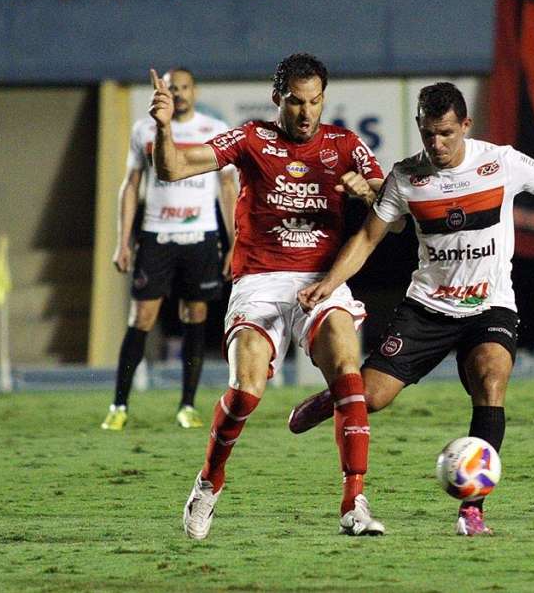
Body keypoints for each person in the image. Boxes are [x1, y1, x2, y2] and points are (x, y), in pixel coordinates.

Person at [290, 82, 534, 536]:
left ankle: (472, 509)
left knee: (491, 381)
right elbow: (368, 239)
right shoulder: (405, 177)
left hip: (490, 306)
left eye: (446, 133)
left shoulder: (502, 162)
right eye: (428, 133)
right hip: (427, 308)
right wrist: (330, 282)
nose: (436, 144)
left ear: (465, 126)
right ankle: (331, 399)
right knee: (371, 397)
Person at [147, 53, 391, 539]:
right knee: (246, 391)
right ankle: (209, 483)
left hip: (321, 279)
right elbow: (171, 168)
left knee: (348, 371)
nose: (306, 113)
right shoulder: (251, 138)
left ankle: (354, 502)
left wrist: (366, 190)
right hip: (258, 281)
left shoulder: (345, 145)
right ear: (277, 98)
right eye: (296, 102)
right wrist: (164, 127)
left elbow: (391, 202)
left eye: (315, 102)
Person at [102, 68, 235, 433]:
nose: (178, 93)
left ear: (195, 90)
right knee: (141, 318)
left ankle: (187, 406)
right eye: (171, 87)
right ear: (162, 91)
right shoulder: (144, 130)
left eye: (184, 87)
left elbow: (227, 188)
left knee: (195, 315)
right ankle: (119, 405)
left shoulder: (213, 130)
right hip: (156, 235)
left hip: (202, 237)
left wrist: (234, 243)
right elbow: (130, 186)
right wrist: (122, 241)